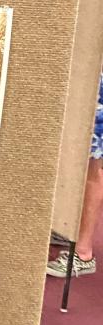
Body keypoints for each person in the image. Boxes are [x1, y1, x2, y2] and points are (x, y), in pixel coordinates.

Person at [47, 71, 103, 280]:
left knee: (92, 164)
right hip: (85, 75)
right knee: (72, 160)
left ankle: (83, 253)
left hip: (97, 81)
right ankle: (67, 230)